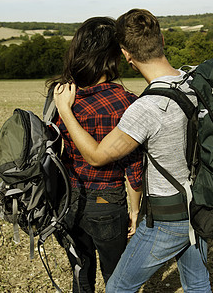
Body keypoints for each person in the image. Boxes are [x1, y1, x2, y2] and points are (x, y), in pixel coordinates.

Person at [54, 9, 211, 292]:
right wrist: (135, 208)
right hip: (197, 204)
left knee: (112, 285)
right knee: (198, 282)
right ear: (162, 38)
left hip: (165, 216)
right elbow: (135, 166)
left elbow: (97, 156)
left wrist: (65, 110)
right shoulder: (192, 82)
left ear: (126, 54)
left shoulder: (145, 108)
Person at [46, 16, 143, 293]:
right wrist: (135, 210)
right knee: (117, 277)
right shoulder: (125, 102)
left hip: (67, 199)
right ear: (113, 56)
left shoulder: (63, 94)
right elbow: (133, 166)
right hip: (107, 201)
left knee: (80, 272)